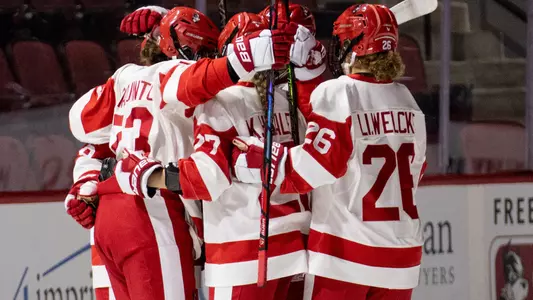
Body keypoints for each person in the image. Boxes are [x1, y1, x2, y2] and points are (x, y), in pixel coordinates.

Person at [65, 5, 296, 300]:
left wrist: (84, 184)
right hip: (154, 207)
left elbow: (81, 126)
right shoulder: (179, 74)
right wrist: (243, 60)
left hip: (109, 214)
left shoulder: (123, 77)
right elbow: (196, 80)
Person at [114, 11, 325, 300]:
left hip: (241, 253)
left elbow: (207, 177)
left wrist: (150, 175)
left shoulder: (219, 104)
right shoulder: (291, 103)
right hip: (297, 249)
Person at [232, 4, 427, 300]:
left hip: (347, 255)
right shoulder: (408, 100)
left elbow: (314, 169)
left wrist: (268, 156)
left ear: (351, 44)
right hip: (402, 259)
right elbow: (417, 172)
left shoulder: (339, 92)